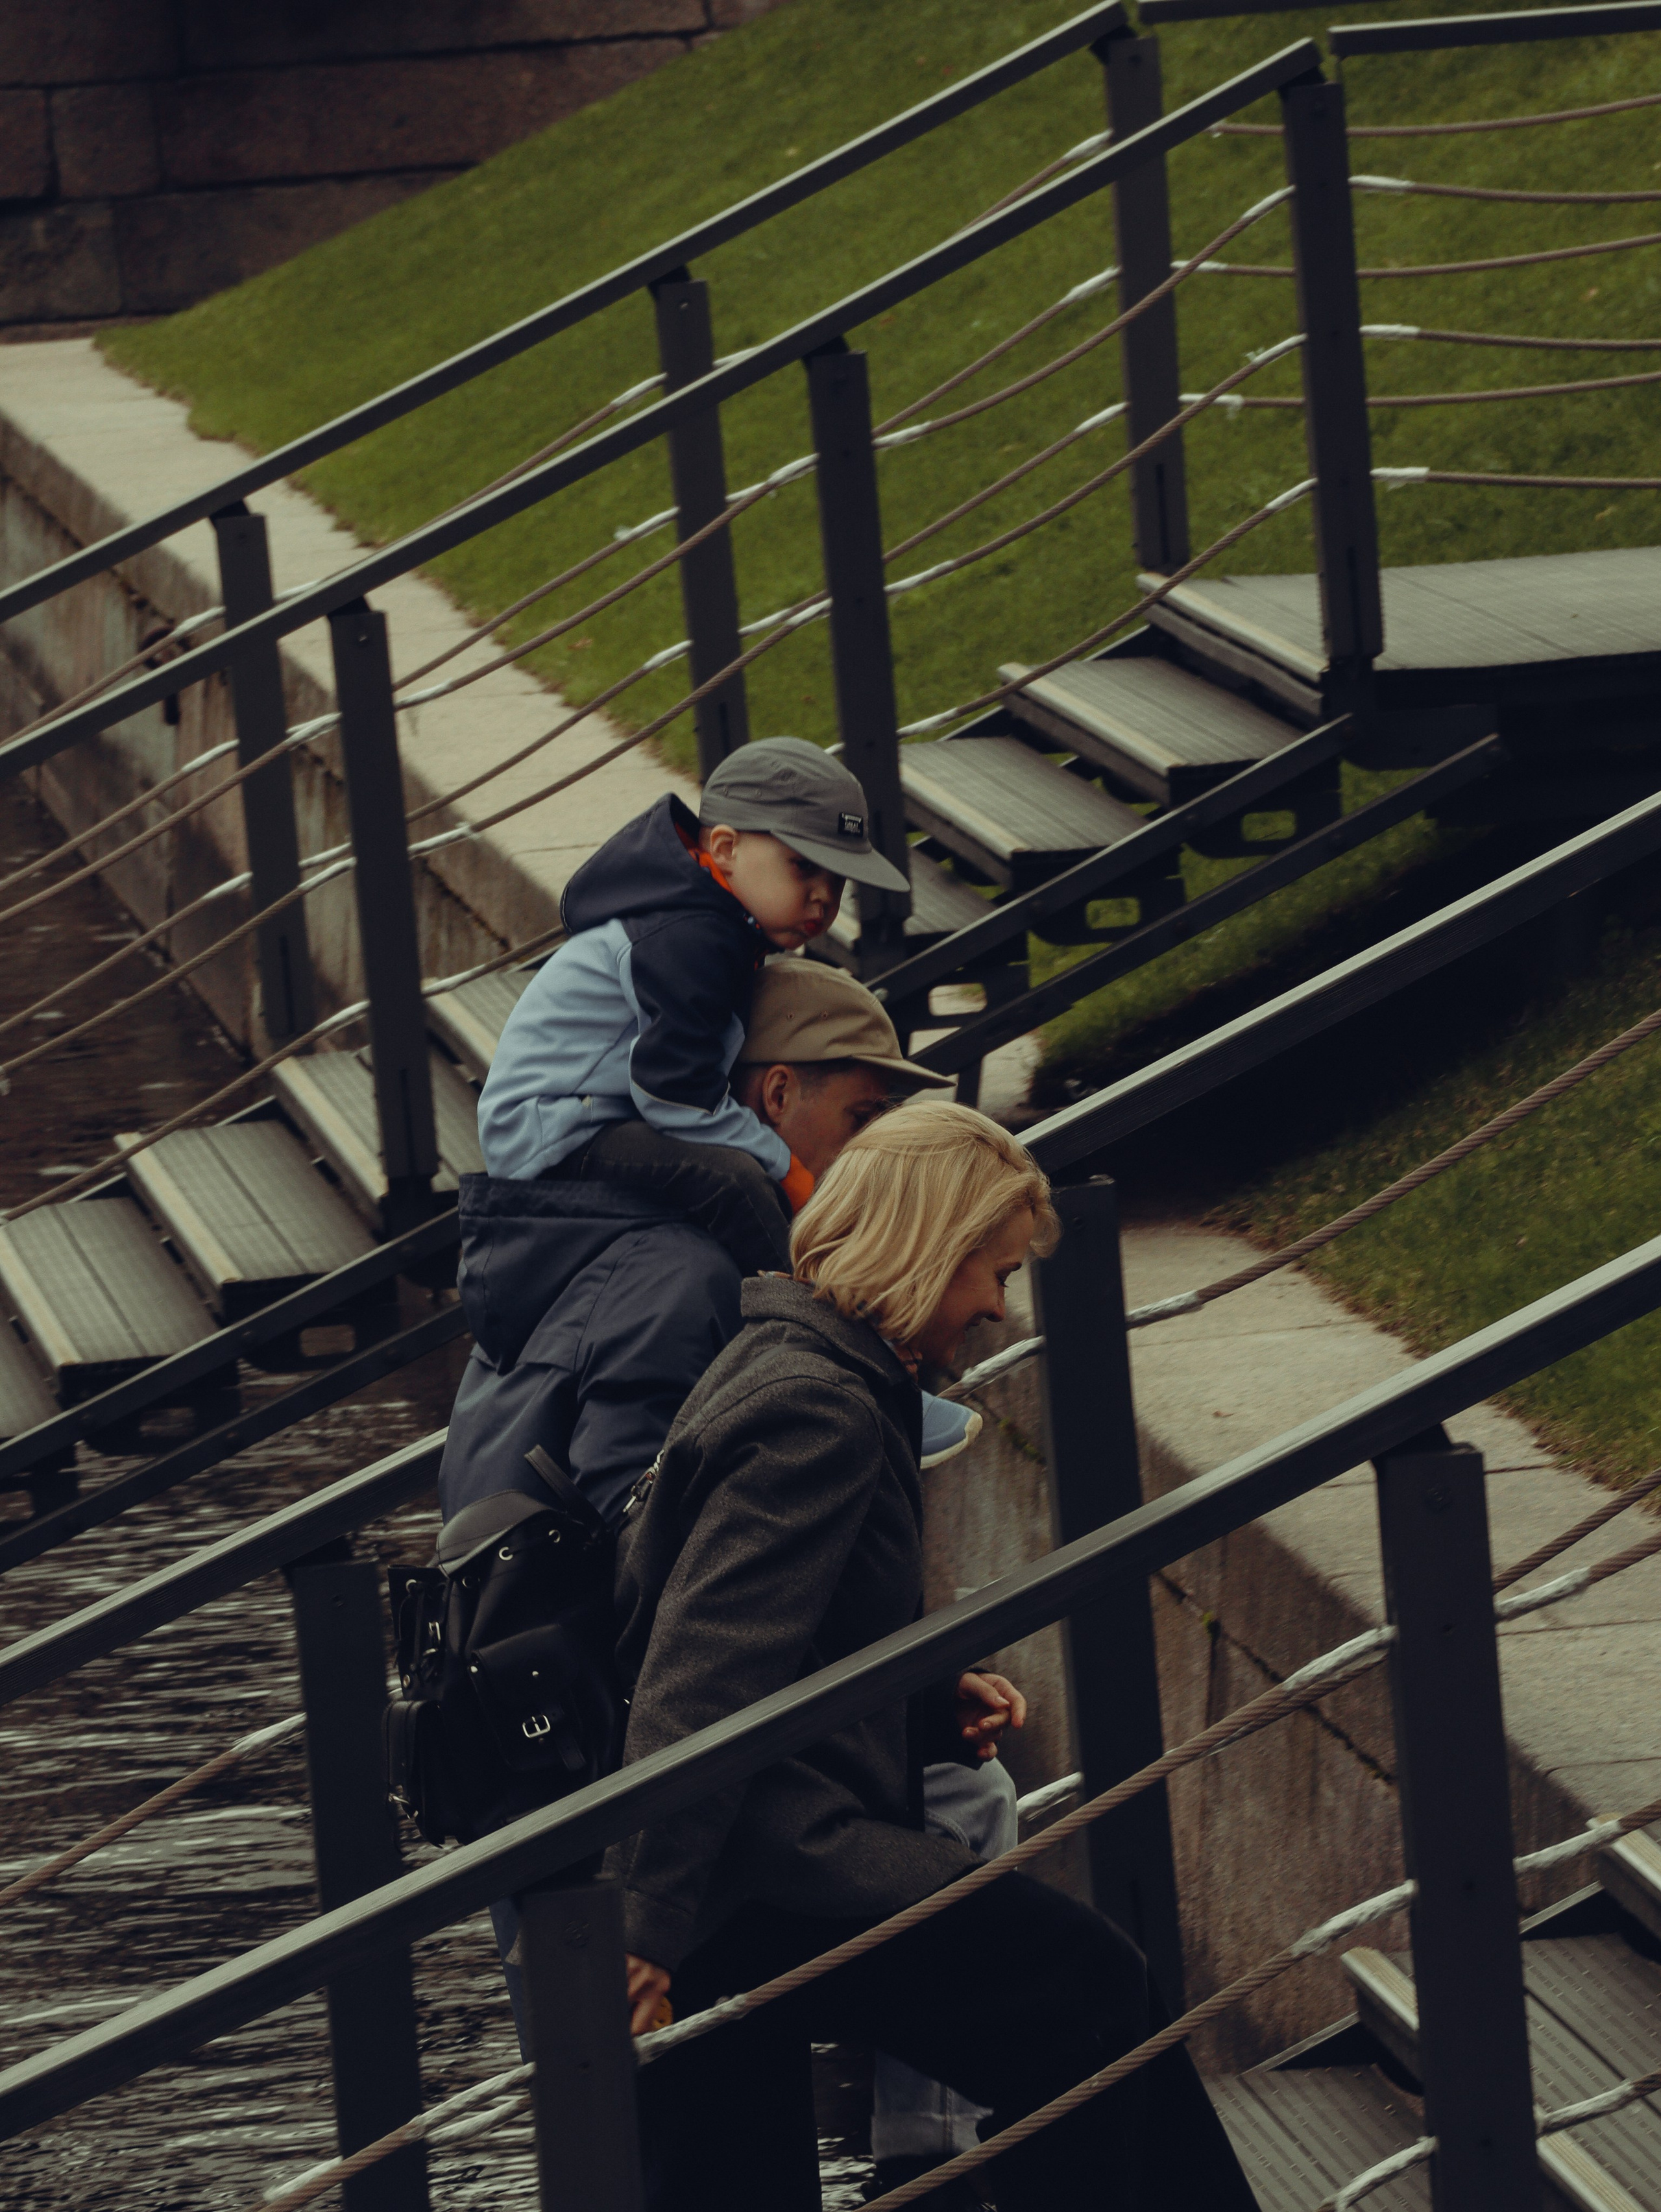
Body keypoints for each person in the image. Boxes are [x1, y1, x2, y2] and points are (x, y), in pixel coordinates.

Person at [611, 1100, 1257, 2212]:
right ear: (924, 1247)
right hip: (765, 1863)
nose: (999, 1308)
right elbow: (704, 1674)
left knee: (725, 2164)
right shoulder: (820, 1406)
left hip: (745, 1851)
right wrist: (645, 1929)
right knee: (1088, 1992)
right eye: (991, 1271)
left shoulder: (788, 1354)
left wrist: (916, 1701)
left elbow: (776, 1630)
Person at [441, 961, 1009, 2182]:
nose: (874, 1148)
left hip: (585, 1754)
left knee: (669, 2138)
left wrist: (897, 1683)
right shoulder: (694, 1275)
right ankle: (931, 2160)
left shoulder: (617, 1241)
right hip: (636, 1782)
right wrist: (652, 1905)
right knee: (679, 2132)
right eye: (860, 1118)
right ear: (773, 1092)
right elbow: (690, 1587)